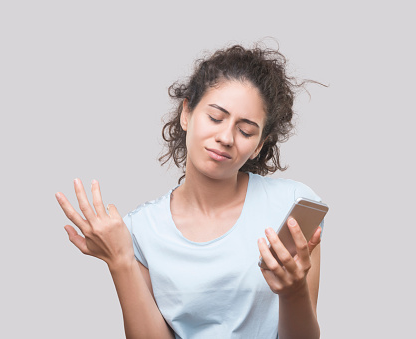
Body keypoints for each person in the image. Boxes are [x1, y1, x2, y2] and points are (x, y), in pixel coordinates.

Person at [55, 43, 325, 339]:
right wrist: (120, 260)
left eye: (246, 131)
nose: (226, 137)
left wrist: (293, 293)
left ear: (259, 145)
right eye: (215, 117)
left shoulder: (291, 206)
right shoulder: (141, 231)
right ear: (186, 113)